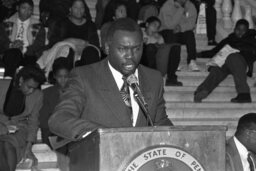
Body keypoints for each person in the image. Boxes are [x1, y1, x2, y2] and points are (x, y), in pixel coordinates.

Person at [48, 18, 173, 144]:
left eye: (136, 49)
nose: (130, 55)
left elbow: (160, 122)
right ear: (107, 48)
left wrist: (179, 137)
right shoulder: (84, 77)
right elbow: (59, 119)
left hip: (140, 161)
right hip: (99, 159)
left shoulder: (153, 79)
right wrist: (103, 135)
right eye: (122, 49)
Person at [194, 19, 256, 103]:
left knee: (233, 57)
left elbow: (253, 53)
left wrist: (239, 50)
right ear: (234, 29)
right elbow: (215, 51)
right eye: (238, 29)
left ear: (247, 31)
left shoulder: (251, 40)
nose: (240, 32)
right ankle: (202, 90)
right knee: (217, 68)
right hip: (228, 63)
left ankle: (244, 94)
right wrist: (199, 54)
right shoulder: (230, 39)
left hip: (243, 65)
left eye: (243, 30)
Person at [0, 65, 46, 171]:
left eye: (34, 88)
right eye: (29, 86)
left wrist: (29, 146)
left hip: (19, 128)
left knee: (7, 144)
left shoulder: (38, 95)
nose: (31, 91)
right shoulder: (2, 86)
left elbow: (34, 121)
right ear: (21, 80)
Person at [39, 58, 72, 171]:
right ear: (54, 77)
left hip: (73, 132)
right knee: (63, 149)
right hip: (53, 133)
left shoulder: (77, 92)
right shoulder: (47, 93)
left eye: (66, 76)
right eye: (59, 77)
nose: (63, 80)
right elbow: (44, 121)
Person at [0, 0, 46, 78]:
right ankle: (8, 79)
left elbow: (39, 43)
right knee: (13, 53)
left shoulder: (38, 26)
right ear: (18, 8)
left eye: (30, 9)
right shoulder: (6, 23)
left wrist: (24, 49)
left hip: (29, 53)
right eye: (24, 8)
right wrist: (12, 45)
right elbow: (2, 40)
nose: (27, 11)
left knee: (30, 62)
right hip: (10, 52)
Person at [158, 0, 200, 72]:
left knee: (190, 34)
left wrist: (181, 27)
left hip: (180, 31)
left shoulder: (190, 6)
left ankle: (191, 61)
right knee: (171, 33)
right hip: (166, 30)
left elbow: (191, 24)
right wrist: (181, 9)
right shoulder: (168, 5)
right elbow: (169, 25)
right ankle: (175, 62)